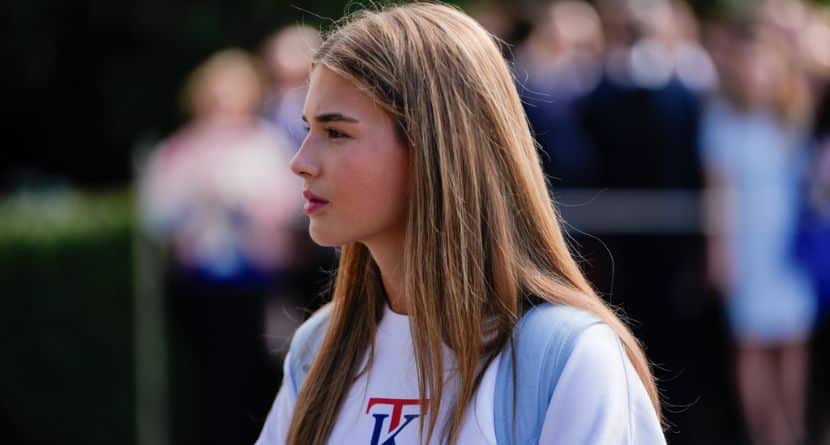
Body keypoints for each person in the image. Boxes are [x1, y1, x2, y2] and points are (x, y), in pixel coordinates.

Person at [256, 3, 665, 444]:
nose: (300, 162)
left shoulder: (565, 356)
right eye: (307, 130)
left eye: (336, 133)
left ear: (434, 147)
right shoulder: (318, 350)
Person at [700, 24, 816, 445]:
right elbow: (717, 194)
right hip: (745, 244)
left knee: (792, 345)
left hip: (790, 246)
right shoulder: (721, 119)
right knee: (750, 346)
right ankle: (763, 435)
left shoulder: (794, 114)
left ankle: (792, 430)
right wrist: (719, 250)